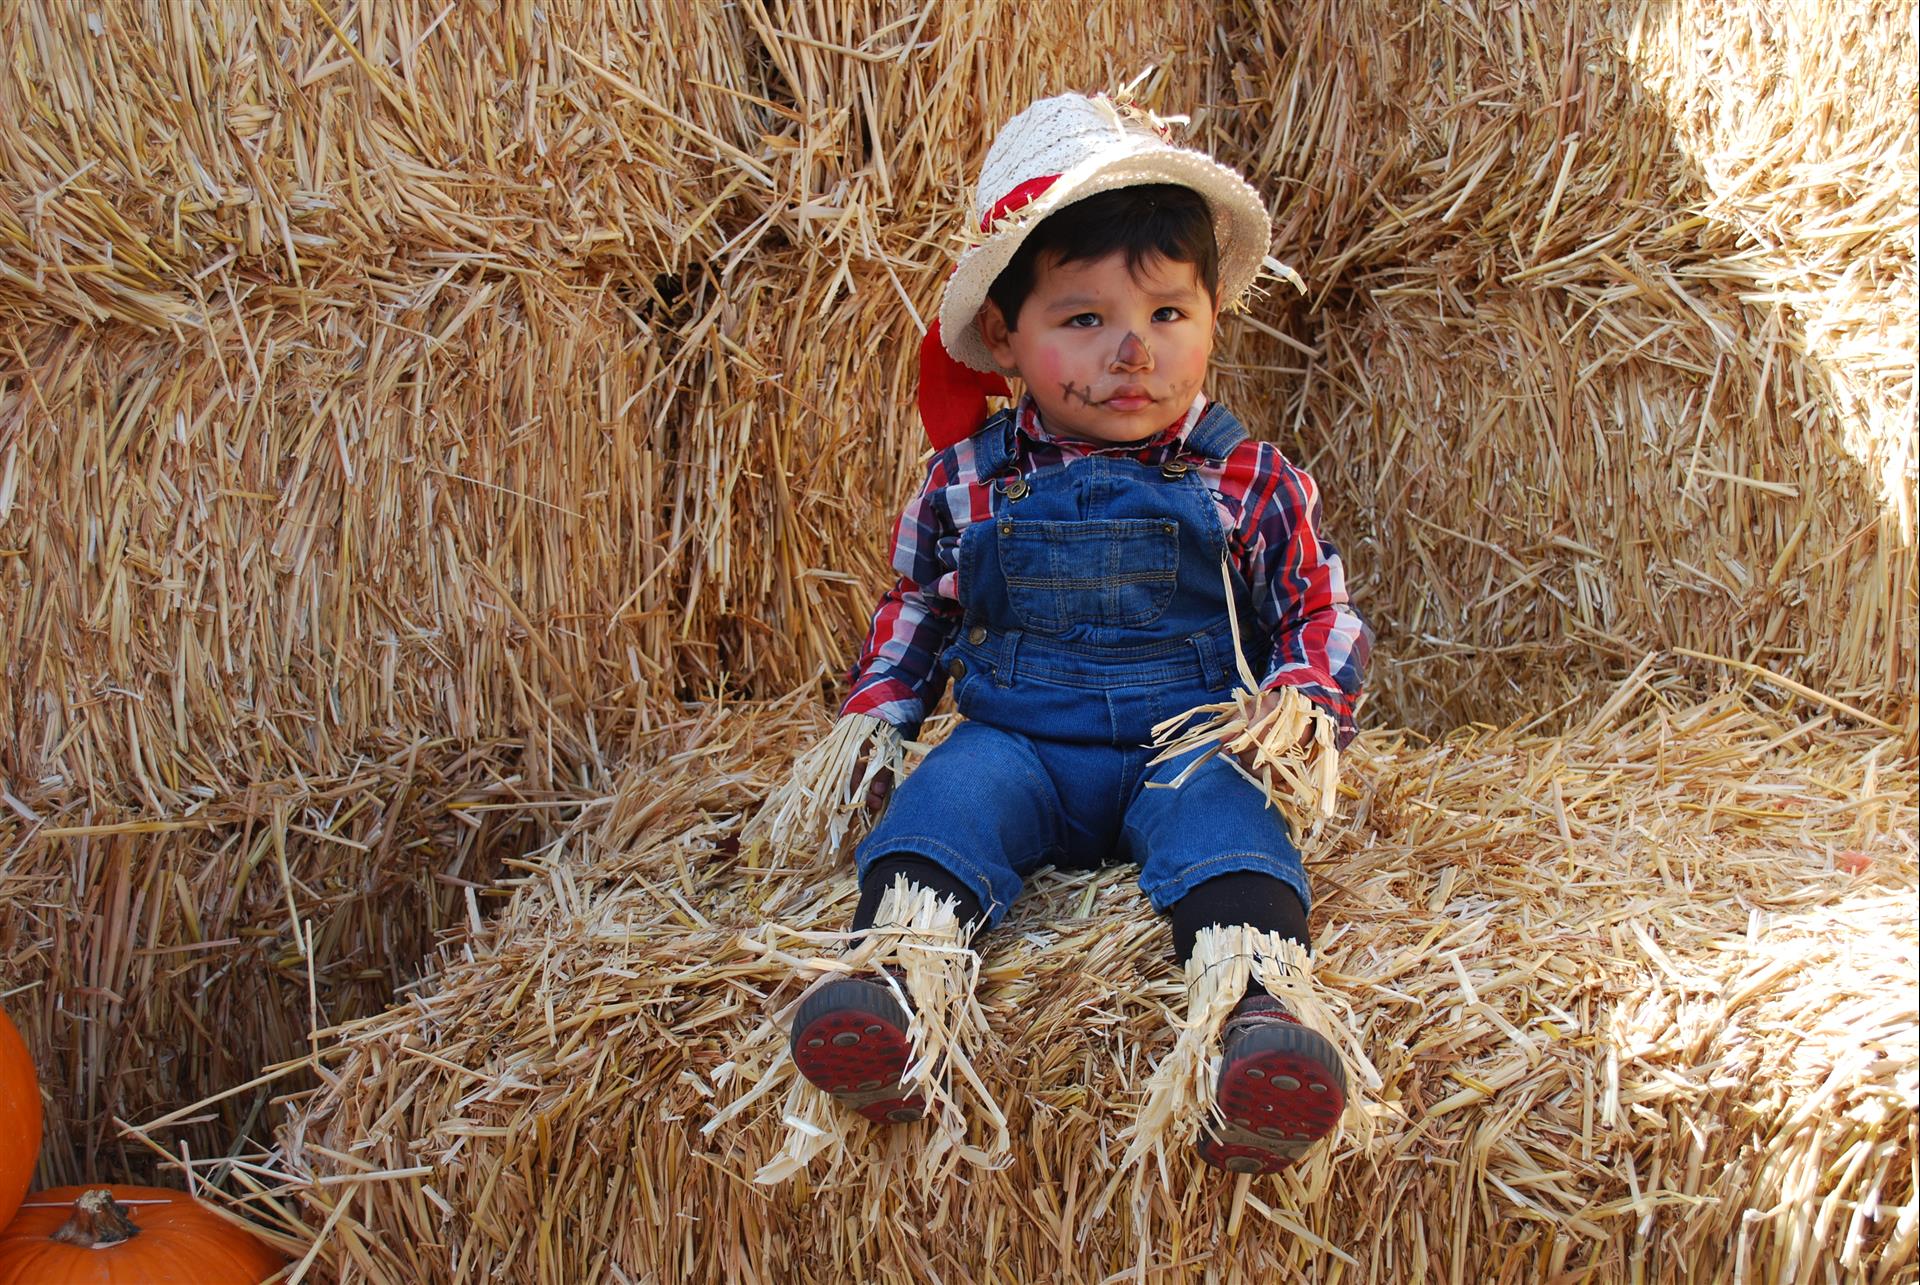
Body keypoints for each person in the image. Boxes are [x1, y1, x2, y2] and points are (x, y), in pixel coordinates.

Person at [787, 92, 1370, 1174]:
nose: (1131, 353)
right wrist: (876, 723)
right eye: (1085, 319)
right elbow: (917, 607)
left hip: (1184, 741)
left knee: (1231, 834)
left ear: (1212, 318)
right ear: (1006, 337)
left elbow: (1318, 607)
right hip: (1020, 742)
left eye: (1165, 315)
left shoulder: (1248, 476)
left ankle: (1254, 1017)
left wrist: (1298, 706)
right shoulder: (969, 479)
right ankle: (897, 989)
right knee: (942, 810)